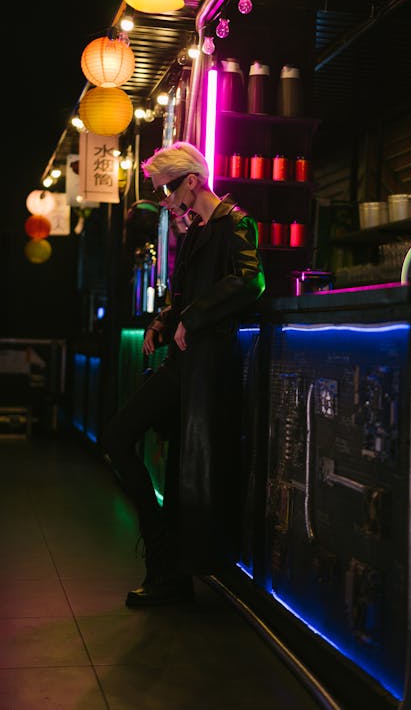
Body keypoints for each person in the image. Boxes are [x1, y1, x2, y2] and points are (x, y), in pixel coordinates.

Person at [102, 141, 265, 607]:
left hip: (207, 364)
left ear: (191, 181)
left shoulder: (235, 223)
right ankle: (163, 556)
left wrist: (190, 319)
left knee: (178, 466)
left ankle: (168, 570)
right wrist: (163, 320)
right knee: (120, 438)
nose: (166, 200)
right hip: (185, 362)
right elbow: (185, 292)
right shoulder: (195, 230)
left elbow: (251, 280)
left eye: (168, 190)